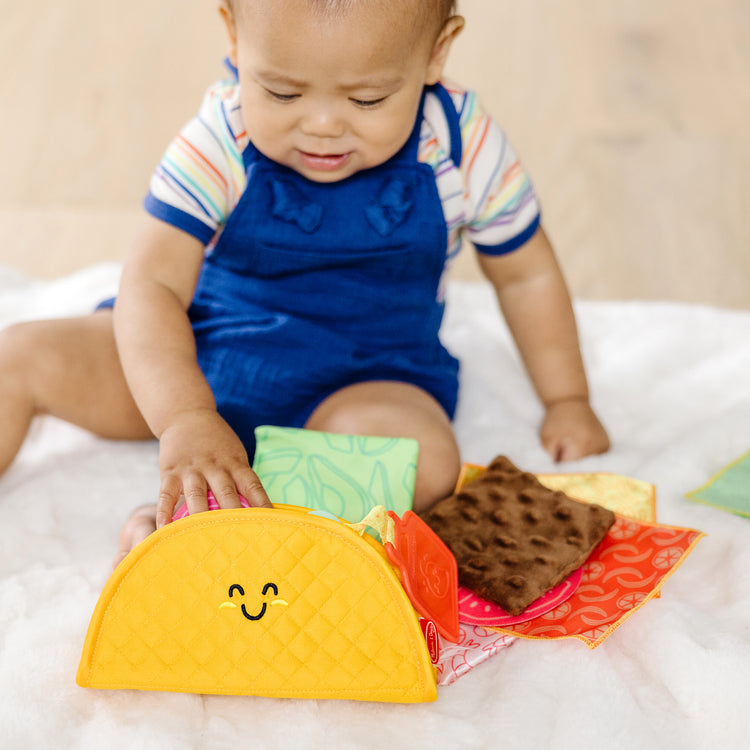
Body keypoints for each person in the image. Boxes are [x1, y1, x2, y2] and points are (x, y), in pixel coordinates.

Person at [0, 0, 609, 564]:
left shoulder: (460, 141)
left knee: (423, 459)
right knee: (19, 356)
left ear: (436, 53)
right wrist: (184, 417)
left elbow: (526, 275)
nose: (321, 125)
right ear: (235, 40)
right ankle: (210, 485)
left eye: (367, 99)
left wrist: (567, 400)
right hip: (200, 350)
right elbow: (152, 286)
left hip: (364, 380)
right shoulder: (223, 130)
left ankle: (213, 528)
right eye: (282, 91)